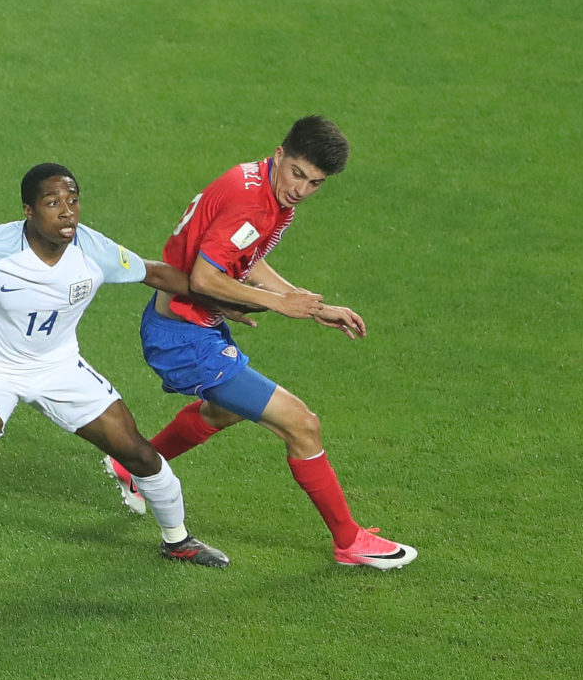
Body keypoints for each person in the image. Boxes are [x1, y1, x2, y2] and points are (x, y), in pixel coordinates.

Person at [0, 163, 229, 590]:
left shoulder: (94, 250)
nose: (67, 212)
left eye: (73, 200)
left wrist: (222, 298)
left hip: (58, 367)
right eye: (53, 203)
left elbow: (156, 273)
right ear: (28, 212)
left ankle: (177, 540)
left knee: (139, 453)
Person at [102, 116, 417, 570]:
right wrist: (279, 305)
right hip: (184, 338)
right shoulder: (250, 202)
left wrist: (305, 304)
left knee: (225, 409)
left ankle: (133, 466)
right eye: (297, 174)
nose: (302, 190)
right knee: (303, 424)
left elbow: (245, 260)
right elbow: (205, 277)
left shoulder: (264, 189)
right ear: (280, 154)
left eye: (315, 183)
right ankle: (350, 542)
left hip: (197, 324)